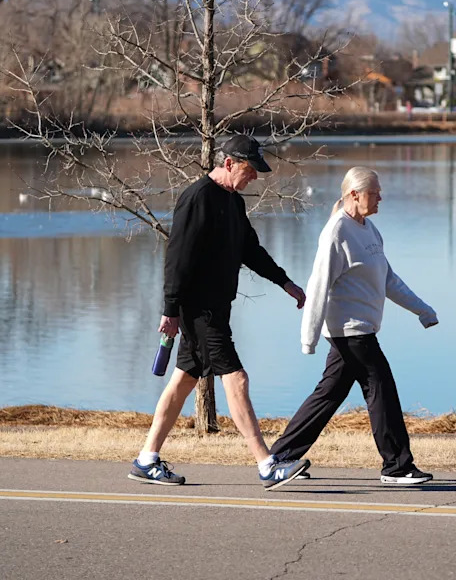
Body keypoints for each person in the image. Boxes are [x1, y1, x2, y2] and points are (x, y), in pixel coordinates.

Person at [128, 134, 311, 491]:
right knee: (236, 378)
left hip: (216, 307)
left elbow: (250, 250)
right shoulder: (197, 198)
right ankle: (267, 464)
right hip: (200, 310)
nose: (254, 176)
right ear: (229, 163)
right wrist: (170, 309)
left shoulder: (233, 202)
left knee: (184, 380)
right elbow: (177, 257)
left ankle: (146, 460)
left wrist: (285, 282)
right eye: (250, 169)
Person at [269, 166, 438, 484]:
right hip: (350, 331)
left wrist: (423, 310)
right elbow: (319, 284)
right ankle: (397, 466)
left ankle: (280, 457)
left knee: (328, 395)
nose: (380, 198)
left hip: (362, 329)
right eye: (375, 193)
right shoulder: (337, 232)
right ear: (354, 194)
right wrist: (308, 337)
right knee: (381, 390)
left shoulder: (369, 230)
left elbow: (388, 279)